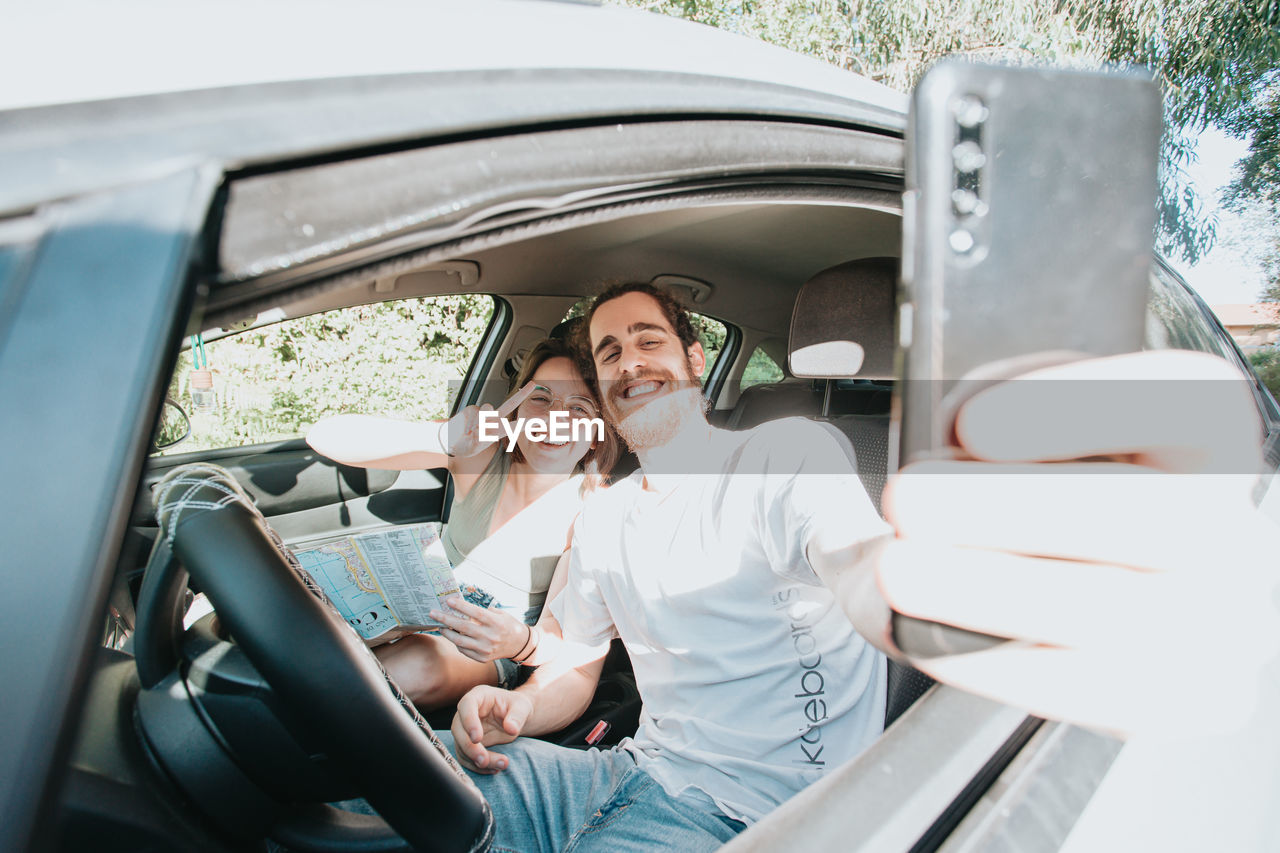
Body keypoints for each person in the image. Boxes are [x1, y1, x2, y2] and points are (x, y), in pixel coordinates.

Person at [443, 282, 1280, 852]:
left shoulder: (784, 456)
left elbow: (858, 566)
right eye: (610, 352)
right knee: (403, 797)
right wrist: (515, 702)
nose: (630, 363)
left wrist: (946, 588)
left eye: (649, 339)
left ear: (695, 360)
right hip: (622, 770)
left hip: (744, 815)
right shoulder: (608, 513)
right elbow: (576, 660)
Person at [306, 337, 618, 710]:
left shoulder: (592, 511)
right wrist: (441, 437)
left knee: (418, 665)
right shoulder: (483, 454)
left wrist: (519, 641)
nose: (554, 418)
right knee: (305, 617)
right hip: (410, 607)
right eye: (541, 398)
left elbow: (559, 632)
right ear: (517, 408)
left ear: (598, 435)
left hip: (490, 647)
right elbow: (324, 436)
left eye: (579, 408)